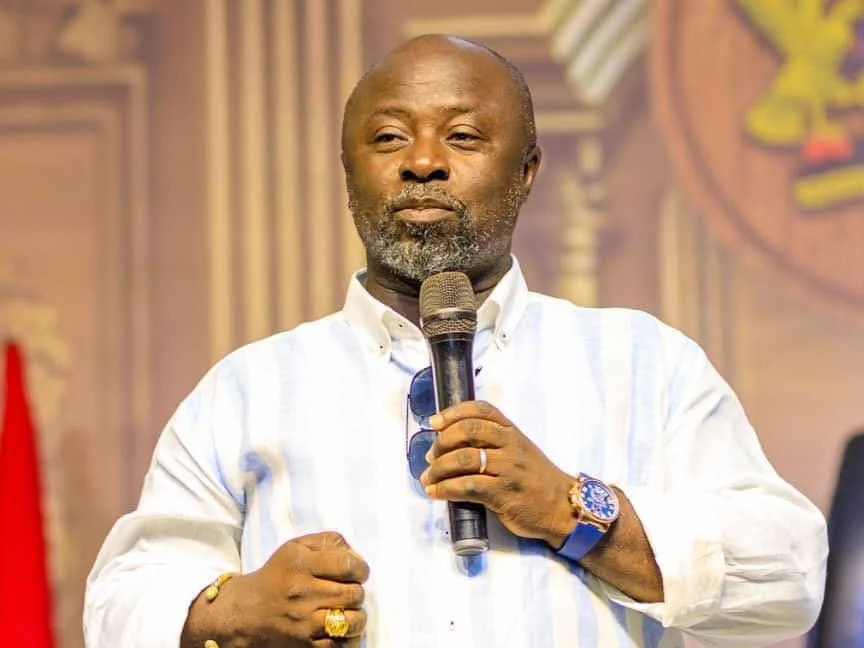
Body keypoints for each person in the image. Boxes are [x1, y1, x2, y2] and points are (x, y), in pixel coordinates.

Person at [83, 34, 828, 648]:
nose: (422, 162)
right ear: (350, 173)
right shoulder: (248, 389)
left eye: (463, 136)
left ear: (527, 170)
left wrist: (569, 508)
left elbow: (790, 577)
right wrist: (234, 611)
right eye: (388, 138)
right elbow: (122, 602)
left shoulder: (646, 364)